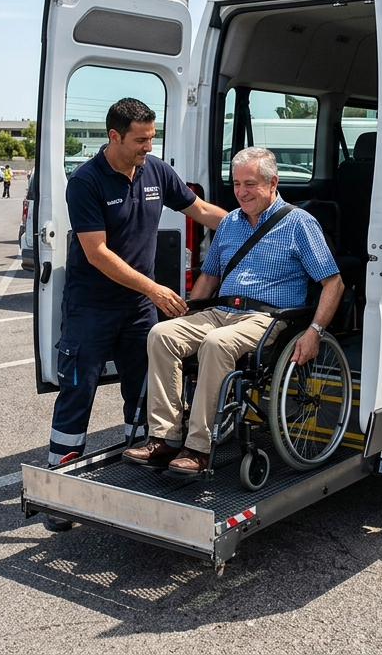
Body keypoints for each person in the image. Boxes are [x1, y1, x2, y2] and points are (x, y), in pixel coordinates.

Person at [44, 98, 226, 529]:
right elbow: (97, 253)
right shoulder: (86, 181)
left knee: (144, 390)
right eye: (141, 139)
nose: (149, 146)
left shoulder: (156, 171)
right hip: (91, 306)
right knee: (77, 391)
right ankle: (58, 494)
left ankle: (139, 472)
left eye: (152, 138)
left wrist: (260, 223)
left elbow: (200, 210)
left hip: (138, 308)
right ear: (115, 136)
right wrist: (155, 289)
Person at [126, 147, 343, 476]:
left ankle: (197, 448)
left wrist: (315, 332)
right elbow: (209, 277)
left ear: (272, 183)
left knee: (217, 342)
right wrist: (186, 314)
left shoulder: (299, 224)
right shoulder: (229, 223)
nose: (241, 192)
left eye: (250, 184)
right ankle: (165, 438)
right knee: (161, 334)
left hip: (268, 318)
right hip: (221, 311)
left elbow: (333, 283)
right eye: (237, 184)